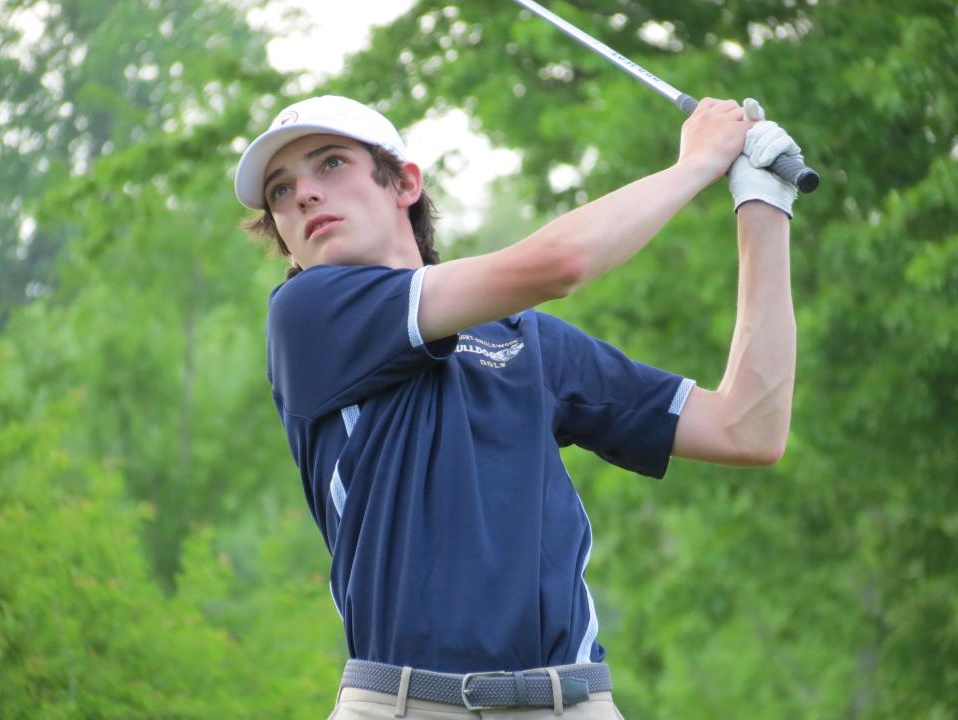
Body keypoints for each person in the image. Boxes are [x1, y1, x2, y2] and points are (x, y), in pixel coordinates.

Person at [234, 94, 799, 718]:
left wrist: (762, 205)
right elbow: (563, 262)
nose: (304, 195)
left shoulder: (526, 339)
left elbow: (748, 428)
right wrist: (697, 164)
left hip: (573, 700)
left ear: (405, 184)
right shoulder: (307, 315)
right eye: (281, 192)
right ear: (283, 239)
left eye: (330, 164)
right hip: (407, 702)